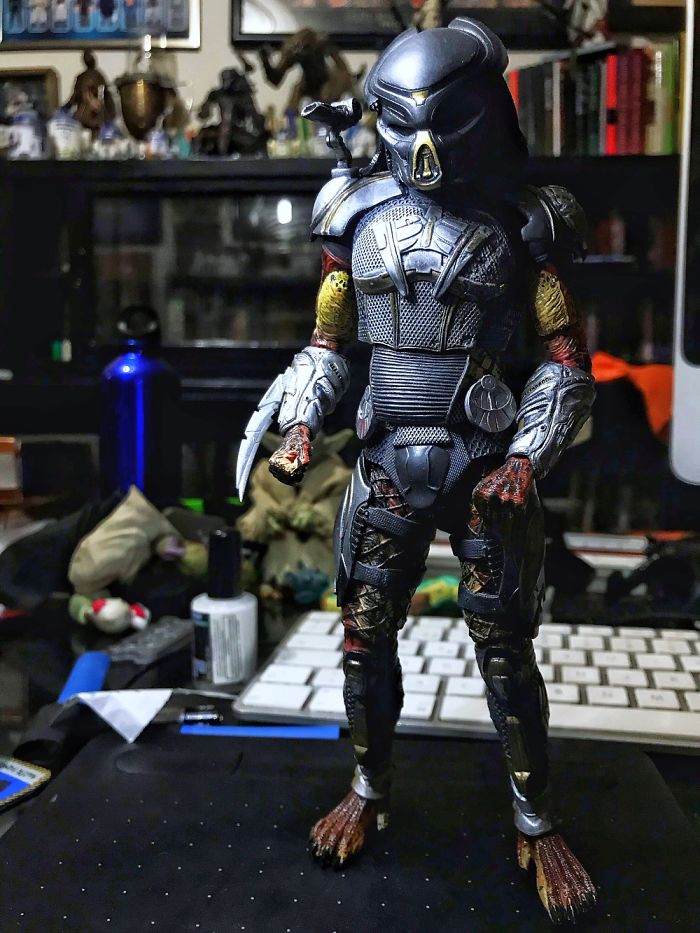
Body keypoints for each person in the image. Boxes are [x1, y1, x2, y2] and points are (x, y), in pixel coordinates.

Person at [237, 17, 596, 923]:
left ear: (483, 115)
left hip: (486, 466)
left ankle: (535, 815)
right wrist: (301, 422)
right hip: (387, 458)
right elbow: (327, 344)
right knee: (364, 635)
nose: (425, 149)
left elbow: (565, 361)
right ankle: (369, 786)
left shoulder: (527, 222)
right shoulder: (354, 214)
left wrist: (528, 456)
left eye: (445, 122)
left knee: (504, 648)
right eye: (404, 123)